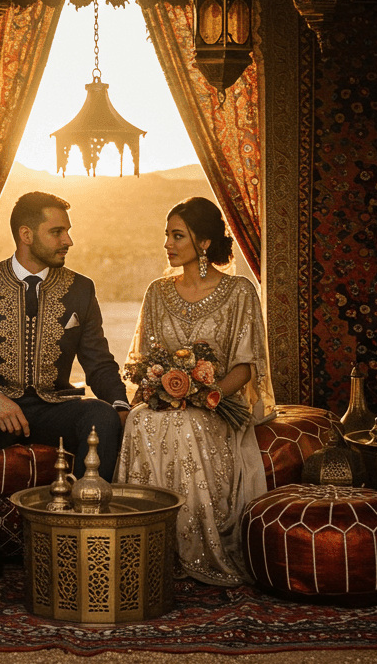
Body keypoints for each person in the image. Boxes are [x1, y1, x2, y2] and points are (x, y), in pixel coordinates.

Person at [0, 191, 130, 589]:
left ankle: (80, 538)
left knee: (101, 415)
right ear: (26, 234)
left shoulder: (80, 289)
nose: (68, 241)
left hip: (52, 409)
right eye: (57, 232)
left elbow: (98, 362)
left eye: (67, 231)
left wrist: (120, 403)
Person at [115, 196, 275, 586]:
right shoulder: (157, 292)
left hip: (217, 406)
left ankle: (193, 545)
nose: (167, 244)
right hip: (166, 402)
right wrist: (152, 396)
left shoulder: (239, 292)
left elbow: (244, 366)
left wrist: (205, 397)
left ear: (203, 242)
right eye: (166, 235)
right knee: (139, 421)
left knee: (186, 424)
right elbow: (146, 360)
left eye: (177, 236)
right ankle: (145, 548)